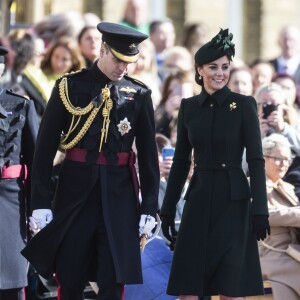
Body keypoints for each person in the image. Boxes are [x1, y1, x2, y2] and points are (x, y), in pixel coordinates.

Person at [21, 22, 159, 300]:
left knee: (112, 281)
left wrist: (149, 207)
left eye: (129, 62)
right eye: (118, 60)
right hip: (75, 196)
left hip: (119, 198)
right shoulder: (69, 87)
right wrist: (40, 203)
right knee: (70, 278)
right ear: (103, 49)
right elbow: (44, 152)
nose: (123, 68)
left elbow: (147, 156)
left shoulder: (139, 94)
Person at [160, 28, 270, 300]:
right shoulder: (188, 107)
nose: (220, 73)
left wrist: (260, 210)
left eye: (225, 67)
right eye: (213, 67)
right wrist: (167, 208)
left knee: (231, 289)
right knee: (188, 287)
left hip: (234, 202)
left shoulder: (244, 105)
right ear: (199, 70)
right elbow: (181, 162)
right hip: (198, 199)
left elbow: (256, 160)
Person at [0, 46, 38, 300]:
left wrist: (37, 210)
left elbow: (36, 164)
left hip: (9, 205)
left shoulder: (21, 105)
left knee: (11, 285)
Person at [259, 133, 300, 299]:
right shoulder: (253, 184)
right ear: (263, 159)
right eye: (278, 159)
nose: (284, 164)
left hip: (294, 251)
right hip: (271, 254)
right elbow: (263, 215)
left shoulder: (289, 187)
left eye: (287, 159)